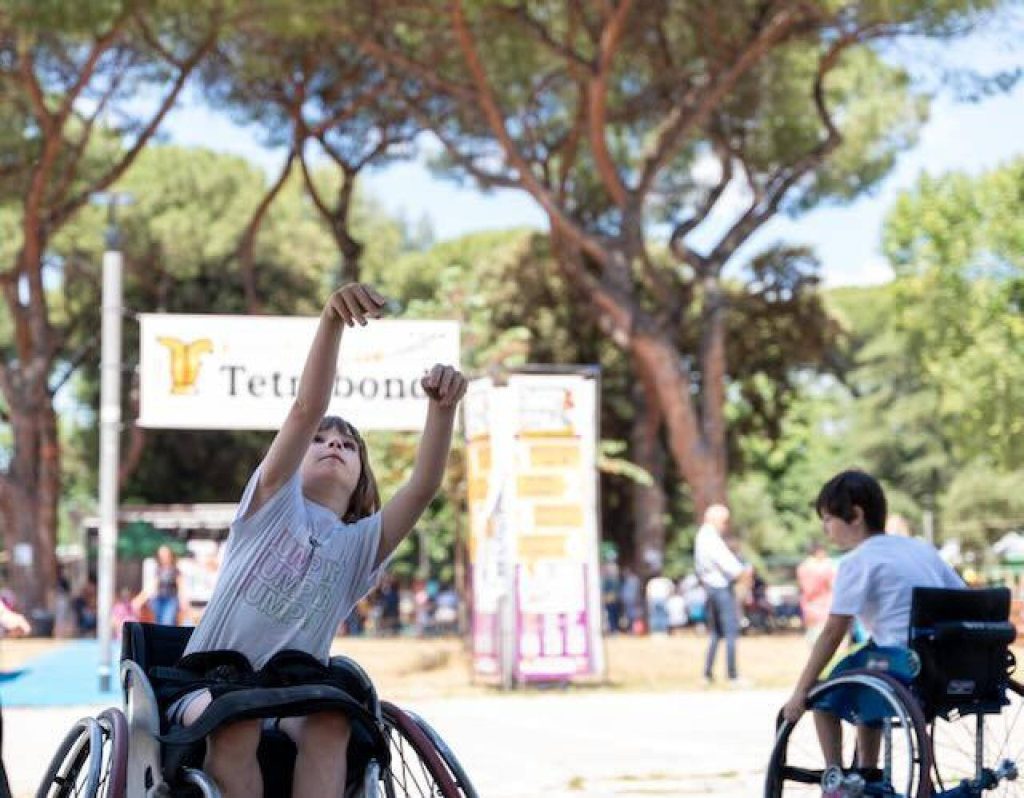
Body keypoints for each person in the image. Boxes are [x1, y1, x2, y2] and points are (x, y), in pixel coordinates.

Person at [163, 283, 467, 798]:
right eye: (323, 441)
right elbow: (307, 407)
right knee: (235, 717)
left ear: (360, 481)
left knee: (333, 721)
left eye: (348, 445)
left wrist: (442, 411)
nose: (333, 446)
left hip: (292, 693)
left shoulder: (359, 547)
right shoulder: (270, 504)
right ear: (297, 457)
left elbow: (422, 487)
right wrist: (330, 320)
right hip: (207, 682)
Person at [781, 470, 963, 796]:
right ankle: (867, 769)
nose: (825, 529)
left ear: (855, 514)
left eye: (828, 519)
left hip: (904, 665)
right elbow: (963, 596)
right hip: (948, 660)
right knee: (868, 671)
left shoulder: (857, 561)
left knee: (823, 696)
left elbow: (834, 629)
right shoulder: (920, 549)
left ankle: (836, 780)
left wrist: (801, 690)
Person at [694, 504, 752, 686]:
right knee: (730, 633)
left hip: (711, 588)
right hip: (720, 588)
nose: (726, 526)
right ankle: (732, 676)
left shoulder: (703, 536)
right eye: (724, 521)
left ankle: (707, 674)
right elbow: (730, 565)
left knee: (716, 634)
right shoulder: (710, 537)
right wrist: (744, 573)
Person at [133, 544, 187, 626]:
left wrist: (184, 602)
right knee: (159, 624)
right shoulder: (158, 570)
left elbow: (181, 588)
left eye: (165, 554)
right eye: (161, 555)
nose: (163, 557)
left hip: (171, 600)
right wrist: (140, 599)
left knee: (167, 622)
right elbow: (152, 586)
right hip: (158, 600)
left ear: (170, 555)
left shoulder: (175, 570)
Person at [796, 540, 835, 645]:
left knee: (812, 635)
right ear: (819, 552)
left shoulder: (803, 567)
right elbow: (832, 585)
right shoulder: (825, 567)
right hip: (823, 605)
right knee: (824, 638)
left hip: (809, 605)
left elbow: (803, 587)